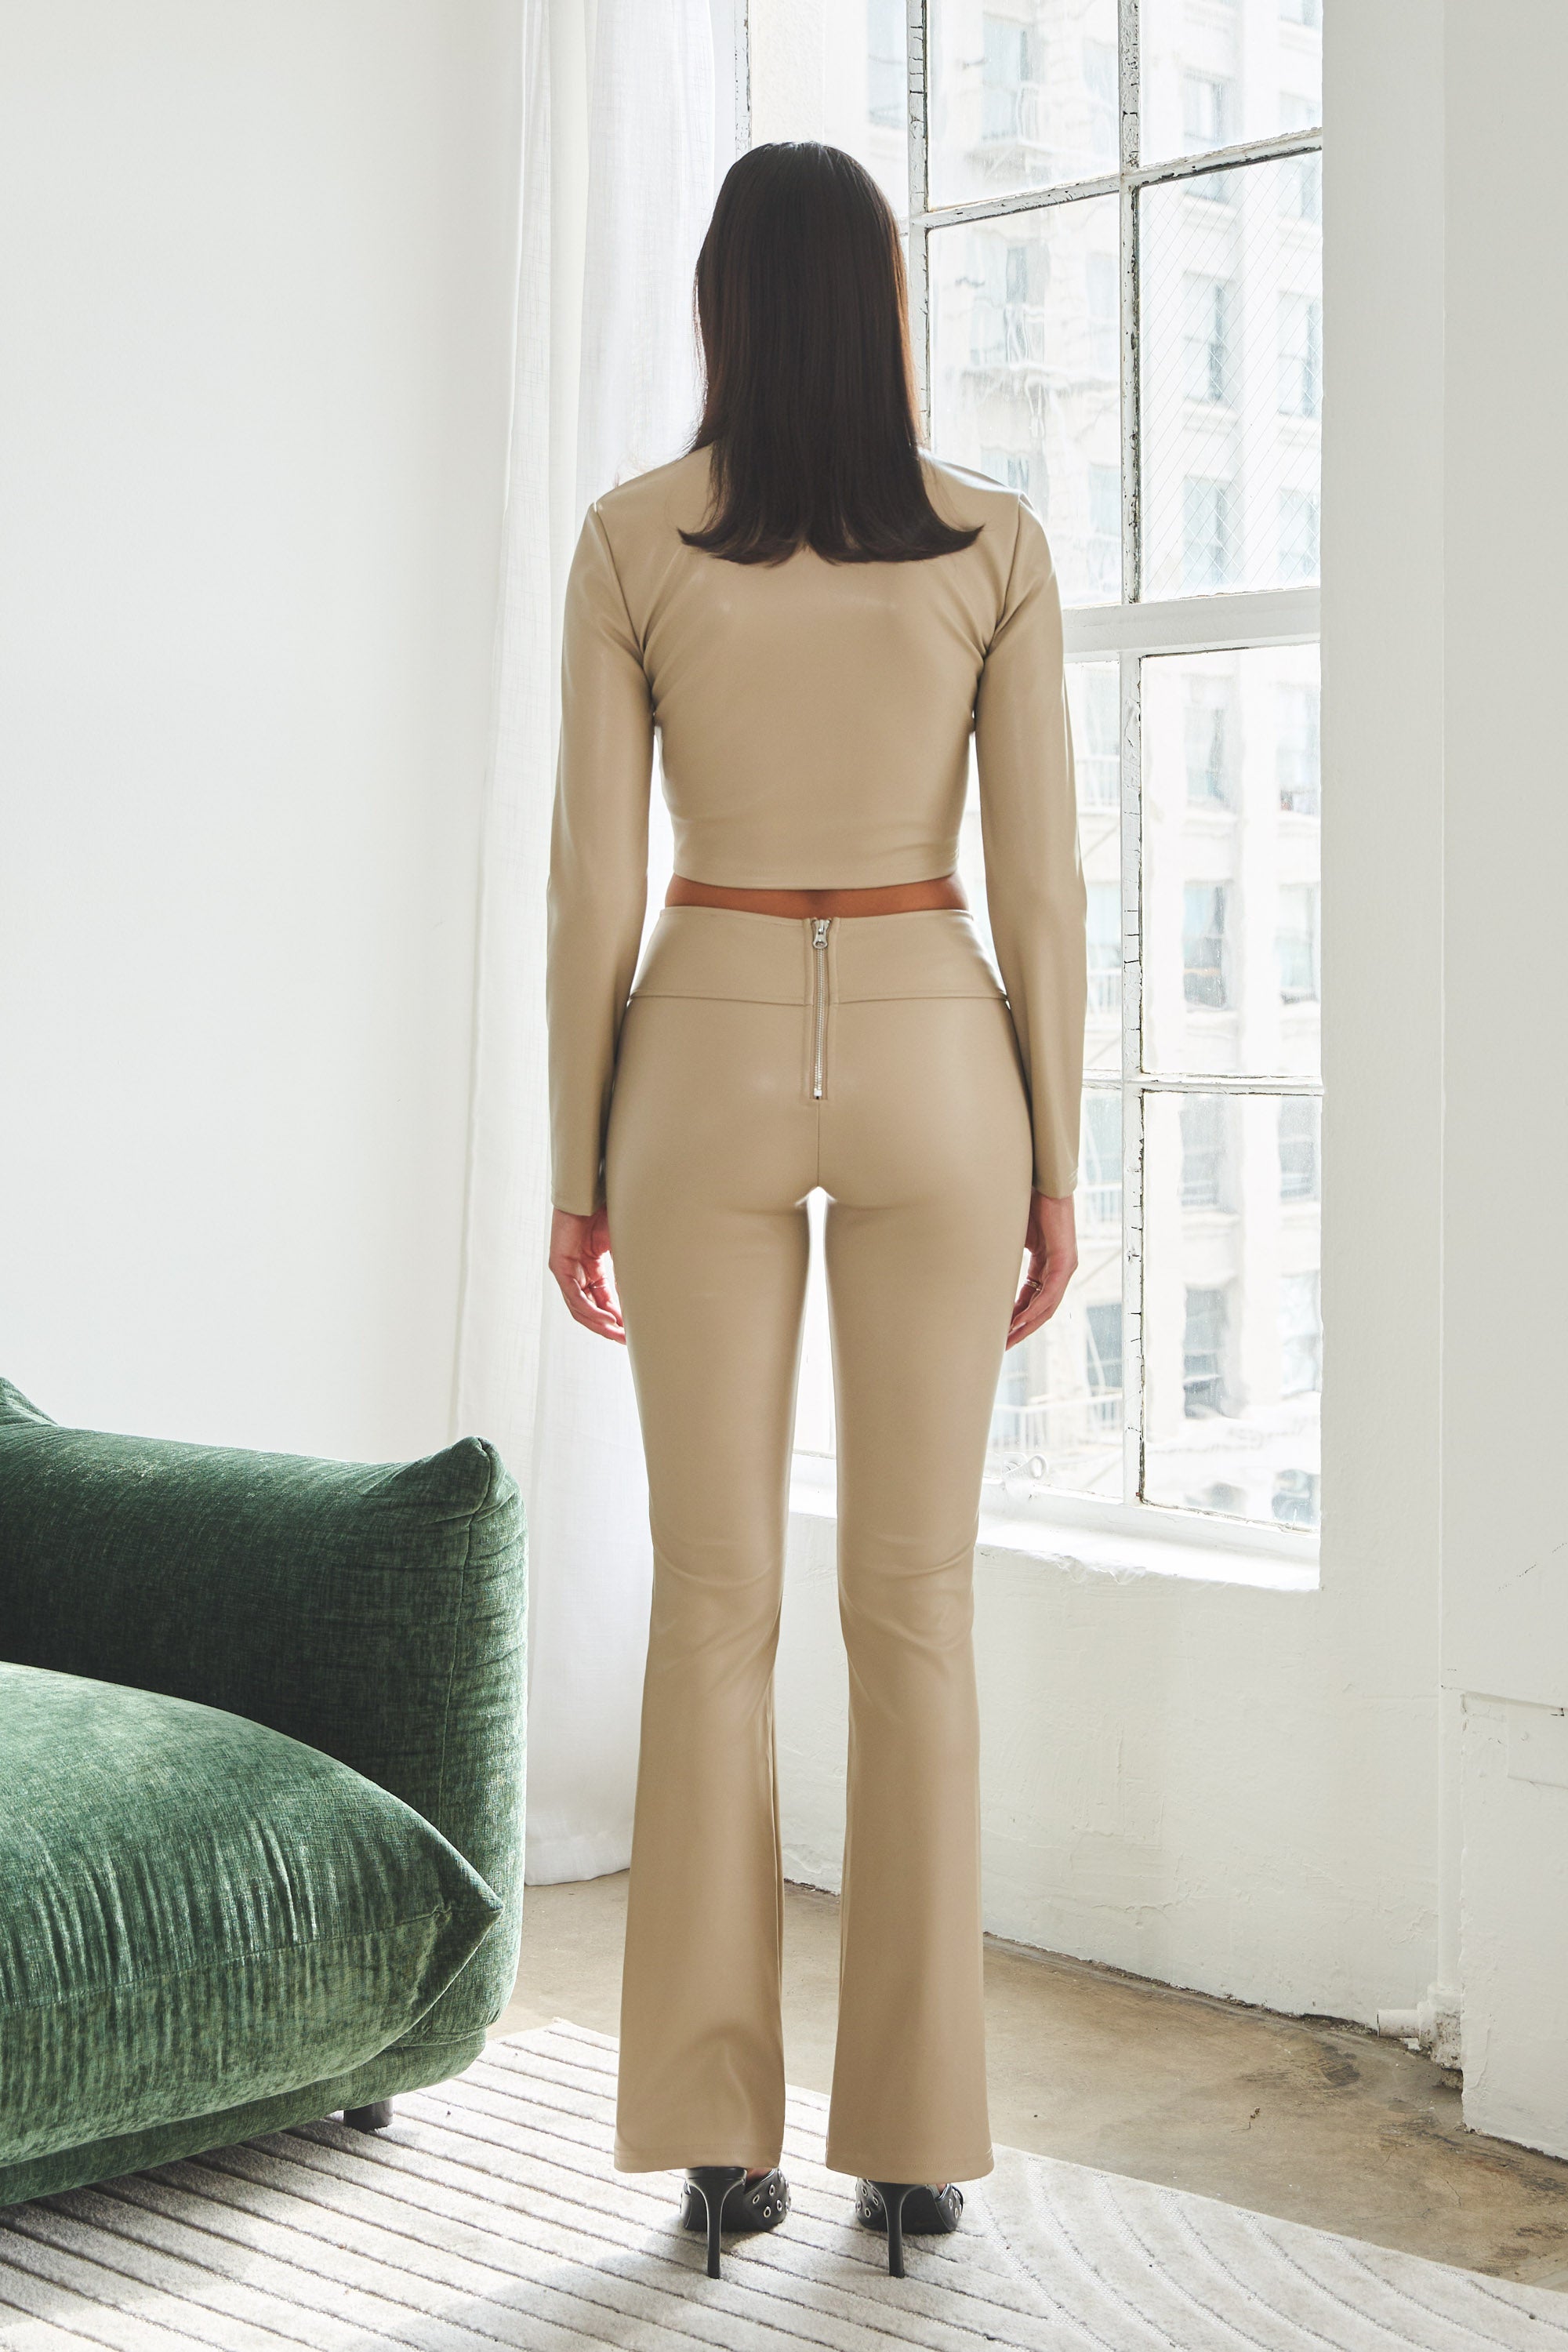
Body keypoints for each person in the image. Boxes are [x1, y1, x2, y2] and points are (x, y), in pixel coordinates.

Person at [545, 140, 1087, 2284]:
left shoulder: (631, 542)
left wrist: (577, 1168)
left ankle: (713, 2144)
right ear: (884, 308)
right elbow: (1045, 884)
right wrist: (1062, 1165)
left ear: (718, 308)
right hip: (945, 1041)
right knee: (915, 1604)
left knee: (710, 1603)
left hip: (701, 1034)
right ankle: (920, 2148)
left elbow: (591, 887)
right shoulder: (992, 545)